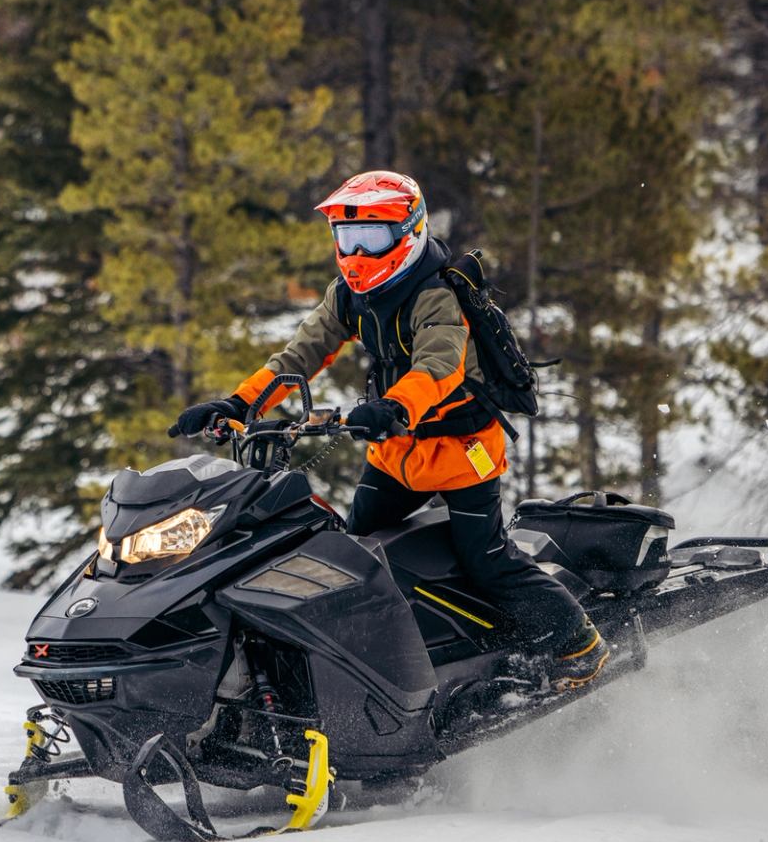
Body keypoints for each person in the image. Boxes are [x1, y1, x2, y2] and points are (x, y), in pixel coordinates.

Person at [170, 170, 608, 692]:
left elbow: (439, 365)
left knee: (486, 559)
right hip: (396, 453)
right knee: (353, 554)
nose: (355, 253)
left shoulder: (435, 294)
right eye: (345, 238)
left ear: (410, 231)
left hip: (461, 449)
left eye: (371, 238)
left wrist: (393, 405)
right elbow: (301, 354)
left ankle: (580, 643)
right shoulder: (348, 296)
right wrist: (238, 403)